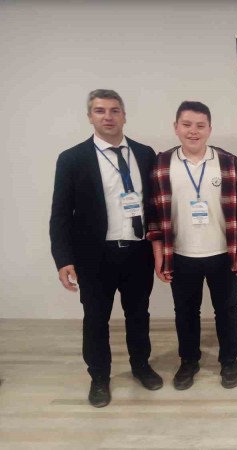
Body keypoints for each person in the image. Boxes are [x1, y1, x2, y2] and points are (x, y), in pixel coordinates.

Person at [50, 89, 163, 408]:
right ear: (90, 117)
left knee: (138, 314)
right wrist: (63, 258)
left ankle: (141, 366)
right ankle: (99, 377)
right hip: (94, 256)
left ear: (124, 116)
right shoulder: (72, 159)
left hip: (138, 252)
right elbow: (60, 214)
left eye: (114, 110)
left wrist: (160, 247)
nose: (108, 117)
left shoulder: (145, 154)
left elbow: (155, 205)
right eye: (100, 111)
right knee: (96, 319)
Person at [147, 101, 237, 390]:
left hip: (223, 253)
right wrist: (158, 254)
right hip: (180, 254)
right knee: (185, 312)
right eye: (186, 125)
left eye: (200, 125)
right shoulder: (162, 164)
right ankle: (189, 361)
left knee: (227, 310)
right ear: (176, 127)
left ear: (209, 129)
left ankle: (229, 362)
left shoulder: (228, 162)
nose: (193, 131)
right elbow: (154, 213)